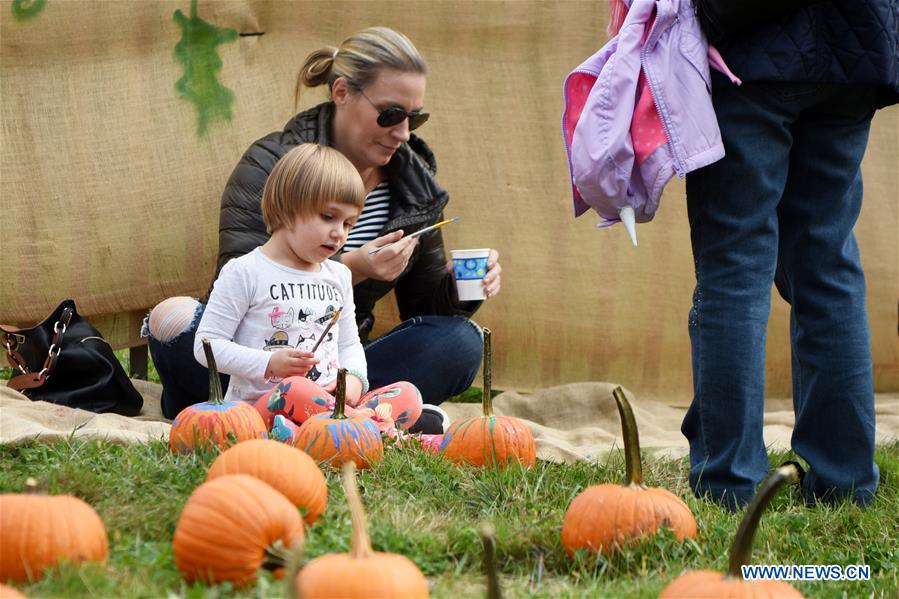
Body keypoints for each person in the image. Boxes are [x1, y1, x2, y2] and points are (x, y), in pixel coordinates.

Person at [145, 27, 501, 433]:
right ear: (342, 93)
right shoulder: (273, 164)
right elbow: (240, 274)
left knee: (461, 341)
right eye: (391, 114)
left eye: (414, 117)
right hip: (251, 359)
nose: (403, 133)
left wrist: (459, 288)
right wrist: (354, 268)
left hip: (329, 365)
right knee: (174, 319)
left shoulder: (413, 186)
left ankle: (339, 411)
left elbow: (422, 314)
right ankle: (341, 416)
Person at [682, 0, 898, 509]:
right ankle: (843, 482)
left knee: (735, 265)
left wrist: (705, 13)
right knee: (827, 261)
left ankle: (729, 484)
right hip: (857, 47)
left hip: (751, 47)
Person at [195, 142, 422, 429]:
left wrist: (353, 379)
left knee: (408, 394)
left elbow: (349, 344)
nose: (339, 233)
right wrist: (269, 363)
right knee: (295, 389)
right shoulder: (245, 272)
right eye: (328, 217)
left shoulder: (338, 275)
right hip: (263, 410)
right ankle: (370, 428)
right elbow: (206, 346)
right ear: (287, 207)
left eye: (349, 223)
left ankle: (349, 424)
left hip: (328, 403)